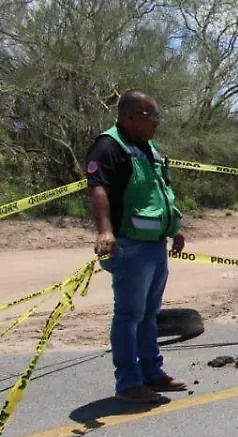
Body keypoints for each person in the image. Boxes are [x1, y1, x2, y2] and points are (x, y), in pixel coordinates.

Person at [84, 90, 187, 404]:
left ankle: (152, 373)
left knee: (149, 314)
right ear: (129, 116)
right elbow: (97, 188)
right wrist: (105, 231)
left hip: (154, 245)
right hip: (129, 246)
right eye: (150, 115)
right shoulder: (108, 146)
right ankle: (128, 382)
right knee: (129, 315)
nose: (156, 122)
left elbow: (158, 192)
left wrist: (175, 230)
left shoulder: (146, 147)